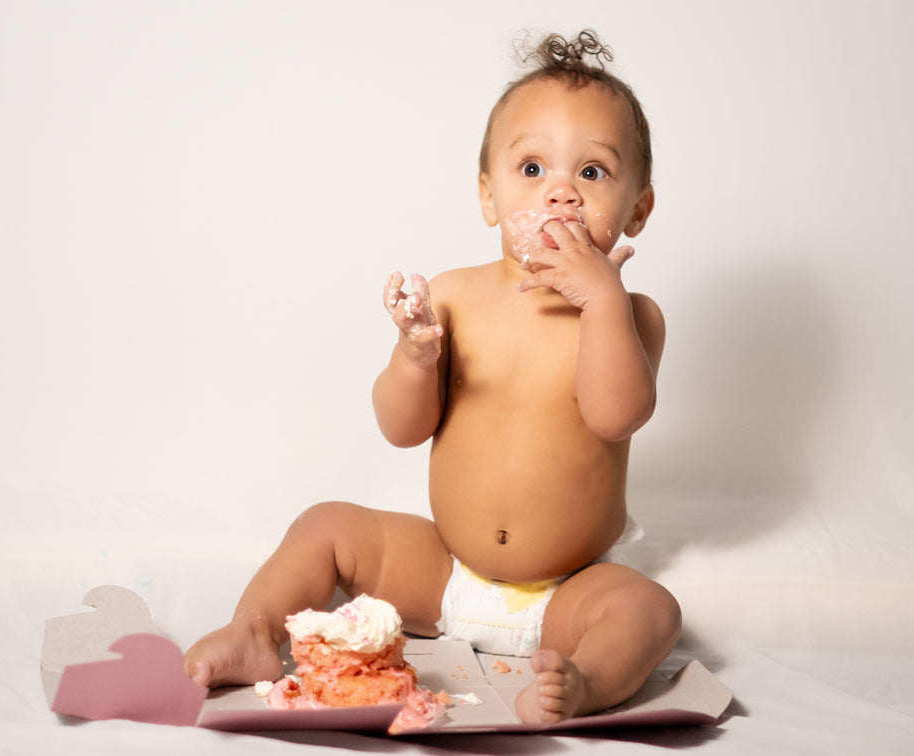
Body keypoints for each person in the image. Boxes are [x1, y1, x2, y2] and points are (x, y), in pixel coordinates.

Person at [184, 29, 680, 725]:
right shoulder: (454, 296)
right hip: (446, 569)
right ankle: (259, 631)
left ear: (638, 209)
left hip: (566, 591)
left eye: (592, 174)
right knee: (325, 524)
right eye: (532, 169)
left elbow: (615, 415)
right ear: (488, 196)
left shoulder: (632, 316)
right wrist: (414, 359)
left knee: (650, 608)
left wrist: (600, 300)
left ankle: (588, 679)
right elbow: (400, 428)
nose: (561, 192)